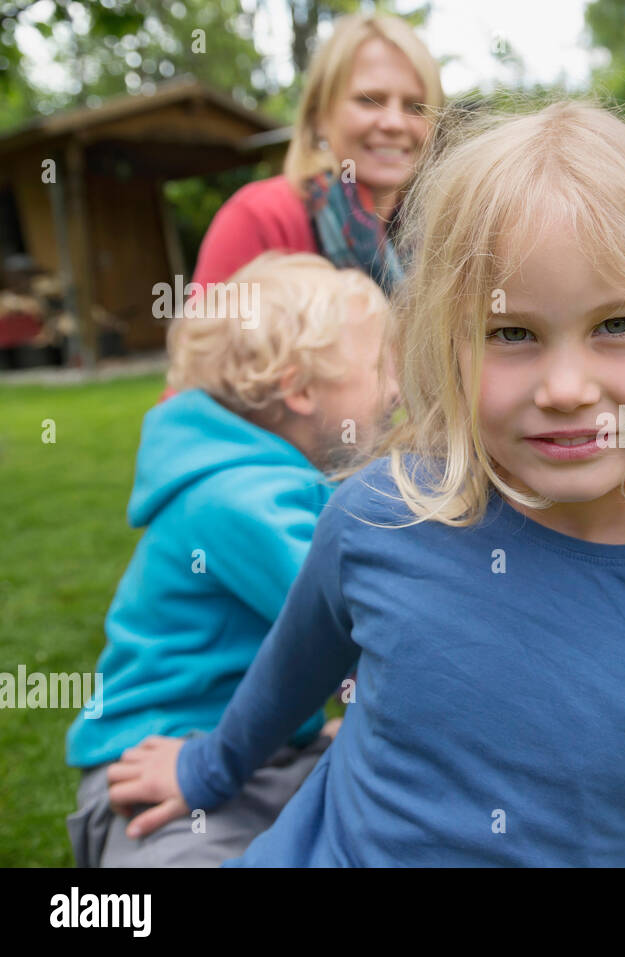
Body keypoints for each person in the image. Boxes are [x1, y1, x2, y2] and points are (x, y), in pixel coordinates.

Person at [102, 100, 625, 867]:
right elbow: (286, 675)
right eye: (513, 333)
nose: (568, 386)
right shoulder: (381, 515)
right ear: (447, 347)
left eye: (617, 324)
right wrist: (205, 769)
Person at [65, 253, 396, 866]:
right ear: (299, 388)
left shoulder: (272, 481)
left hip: (260, 751)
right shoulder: (237, 499)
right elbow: (364, 621)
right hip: (160, 766)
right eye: (381, 367)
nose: (398, 388)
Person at [191, 14, 443, 293]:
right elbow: (201, 336)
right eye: (369, 100)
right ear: (319, 116)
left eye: (416, 106)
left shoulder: (442, 230)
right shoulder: (260, 218)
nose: (395, 123)